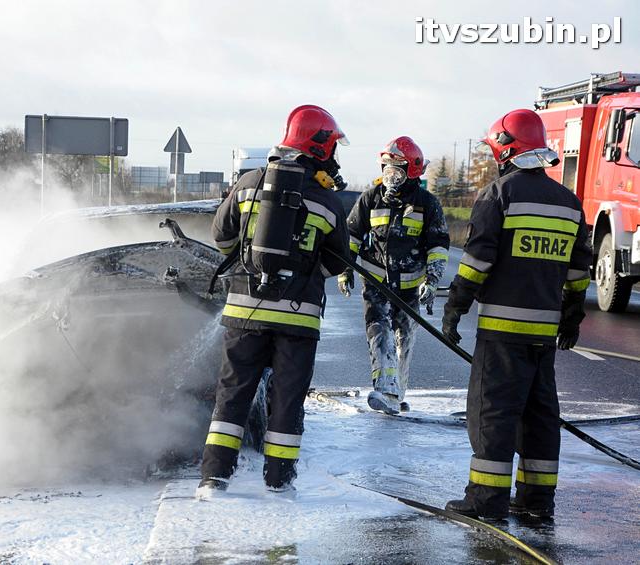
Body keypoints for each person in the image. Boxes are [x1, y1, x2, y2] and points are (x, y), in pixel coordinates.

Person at [442, 109, 592, 520]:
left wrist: (455, 308)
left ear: (506, 150)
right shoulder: (569, 203)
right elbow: (580, 272)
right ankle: (537, 500)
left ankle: (485, 501)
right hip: (543, 336)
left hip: (501, 333)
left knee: (493, 414)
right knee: (539, 415)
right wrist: (572, 317)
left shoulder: (500, 194)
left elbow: (476, 263)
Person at [197, 105, 350, 497]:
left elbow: (222, 237)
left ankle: (214, 478)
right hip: (297, 321)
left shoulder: (248, 183)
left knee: (231, 396)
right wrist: (303, 268)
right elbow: (336, 263)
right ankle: (279, 481)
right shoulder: (329, 203)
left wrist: (251, 263)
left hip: (243, 312)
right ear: (319, 148)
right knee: (286, 401)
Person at [338, 137, 449, 414]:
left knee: (405, 340)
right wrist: (345, 268)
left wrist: (432, 280)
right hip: (376, 283)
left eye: (396, 169)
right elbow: (351, 236)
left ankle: (396, 394)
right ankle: (385, 389)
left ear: (411, 171)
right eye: (386, 167)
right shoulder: (371, 198)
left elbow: (438, 246)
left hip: (410, 289)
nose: (390, 174)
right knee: (379, 332)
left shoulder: (427, 204)